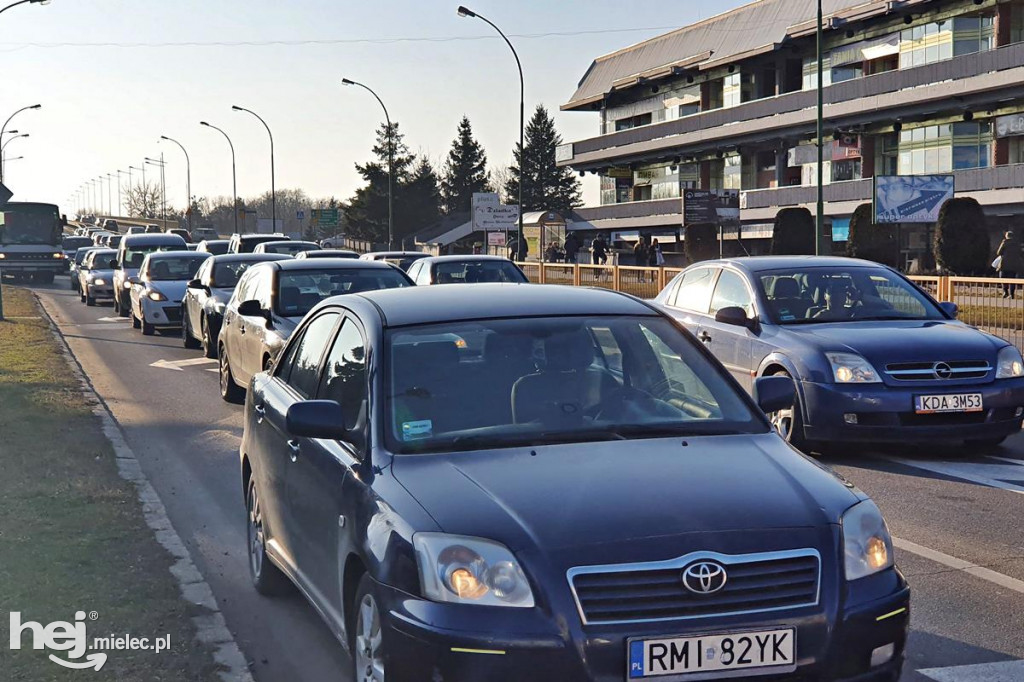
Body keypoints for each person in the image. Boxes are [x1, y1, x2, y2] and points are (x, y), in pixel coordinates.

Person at [996, 230, 1022, 298]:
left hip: (1004, 264)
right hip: (1014, 265)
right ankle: (1012, 294)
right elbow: (1020, 253)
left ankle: (1005, 292)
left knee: (1002, 278)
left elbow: (999, 252)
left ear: (1006, 236)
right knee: (1012, 279)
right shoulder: (1017, 244)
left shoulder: (1005, 242)